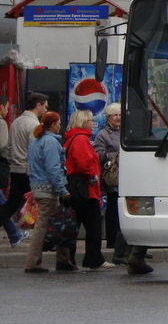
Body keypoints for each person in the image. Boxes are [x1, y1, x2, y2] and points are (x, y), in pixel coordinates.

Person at [23, 112, 73, 273]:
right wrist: (62, 190)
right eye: (58, 123)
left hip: (38, 187)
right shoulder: (51, 142)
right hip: (48, 190)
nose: (60, 126)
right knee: (44, 225)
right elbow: (53, 169)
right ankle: (34, 262)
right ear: (52, 125)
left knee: (58, 222)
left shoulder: (36, 141)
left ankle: (63, 259)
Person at [64, 110, 113, 270]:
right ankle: (93, 258)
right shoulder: (81, 140)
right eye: (91, 120)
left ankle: (68, 258)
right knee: (93, 226)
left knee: (74, 225)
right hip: (85, 189)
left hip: (77, 188)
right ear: (84, 122)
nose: (93, 123)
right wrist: (93, 176)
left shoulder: (72, 138)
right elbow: (84, 163)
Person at [0, 93, 49, 242]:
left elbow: (8, 147)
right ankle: (46, 239)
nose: (46, 110)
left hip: (16, 169)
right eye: (45, 107)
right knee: (44, 204)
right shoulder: (34, 125)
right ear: (38, 105)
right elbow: (35, 150)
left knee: (12, 204)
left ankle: (19, 232)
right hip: (28, 171)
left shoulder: (16, 122)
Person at [92, 103, 124, 261]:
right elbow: (98, 154)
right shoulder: (102, 134)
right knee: (113, 210)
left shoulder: (126, 132)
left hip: (127, 175)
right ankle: (112, 241)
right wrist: (115, 156)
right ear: (108, 118)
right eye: (114, 115)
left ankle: (126, 244)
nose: (118, 118)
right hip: (113, 176)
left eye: (119, 115)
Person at [0, 95, 26, 246]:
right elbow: (3, 146)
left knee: (4, 203)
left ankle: (15, 234)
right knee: (6, 204)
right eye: (6, 107)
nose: (7, 110)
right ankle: (15, 234)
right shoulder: (2, 123)